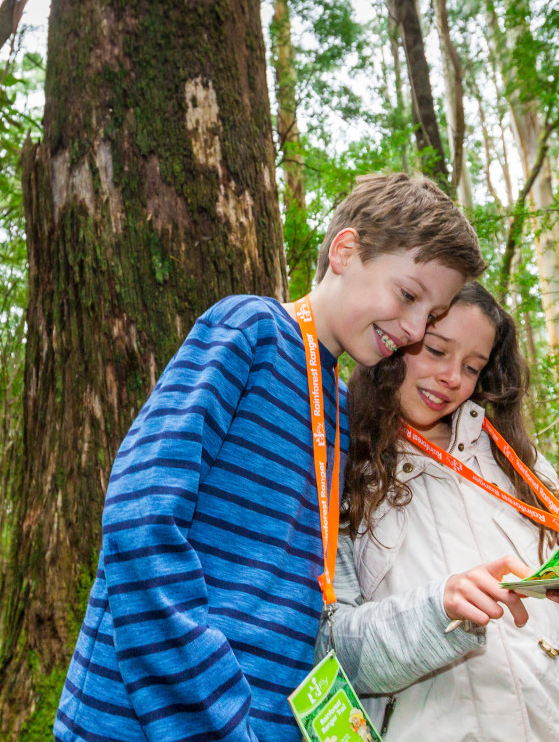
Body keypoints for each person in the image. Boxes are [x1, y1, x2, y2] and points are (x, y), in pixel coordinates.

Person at [54, 174, 487, 741]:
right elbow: (142, 521)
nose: (410, 329)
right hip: (143, 721)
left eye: (429, 316)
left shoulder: (340, 409)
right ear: (345, 251)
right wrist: (216, 714)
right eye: (408, 295)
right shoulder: (249, 330)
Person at [317, 282, 559, 741]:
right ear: (397, 339)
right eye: (436, 350)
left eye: (472, 367)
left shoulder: (522, 464)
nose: (453, 378)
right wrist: (437, 611)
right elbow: (329, 649)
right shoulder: (338, 469)